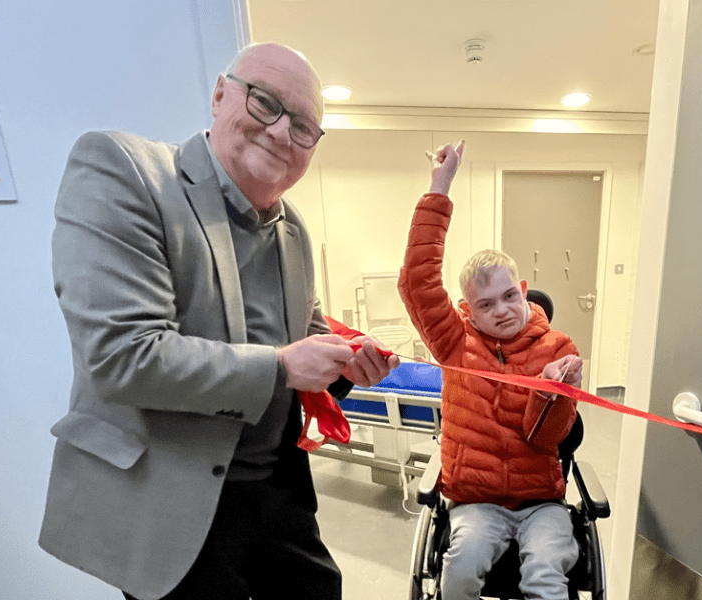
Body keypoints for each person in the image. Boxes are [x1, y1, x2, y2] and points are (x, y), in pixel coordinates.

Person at [40, 43, 399, 600]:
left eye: (304, 126)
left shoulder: (293, 228)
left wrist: (348, 359)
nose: (282, 132)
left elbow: (307, 333)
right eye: (265, 103)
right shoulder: (124, 171)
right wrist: (282, 367)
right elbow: (122, 356)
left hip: (278, 495)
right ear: (219, 94)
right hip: (171, 500)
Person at [397, 141, 584, 600]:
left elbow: (545, 438)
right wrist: (439, 187)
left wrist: (556, 391)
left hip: (542, 503)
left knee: (545, 577)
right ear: (469, 310)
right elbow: (417, 284)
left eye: (509, 297)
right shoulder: (455, 343)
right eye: (485, 304)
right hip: (476, 504)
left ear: (523, 291)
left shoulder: (558, 348)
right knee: (458, 571)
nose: (501, 311)